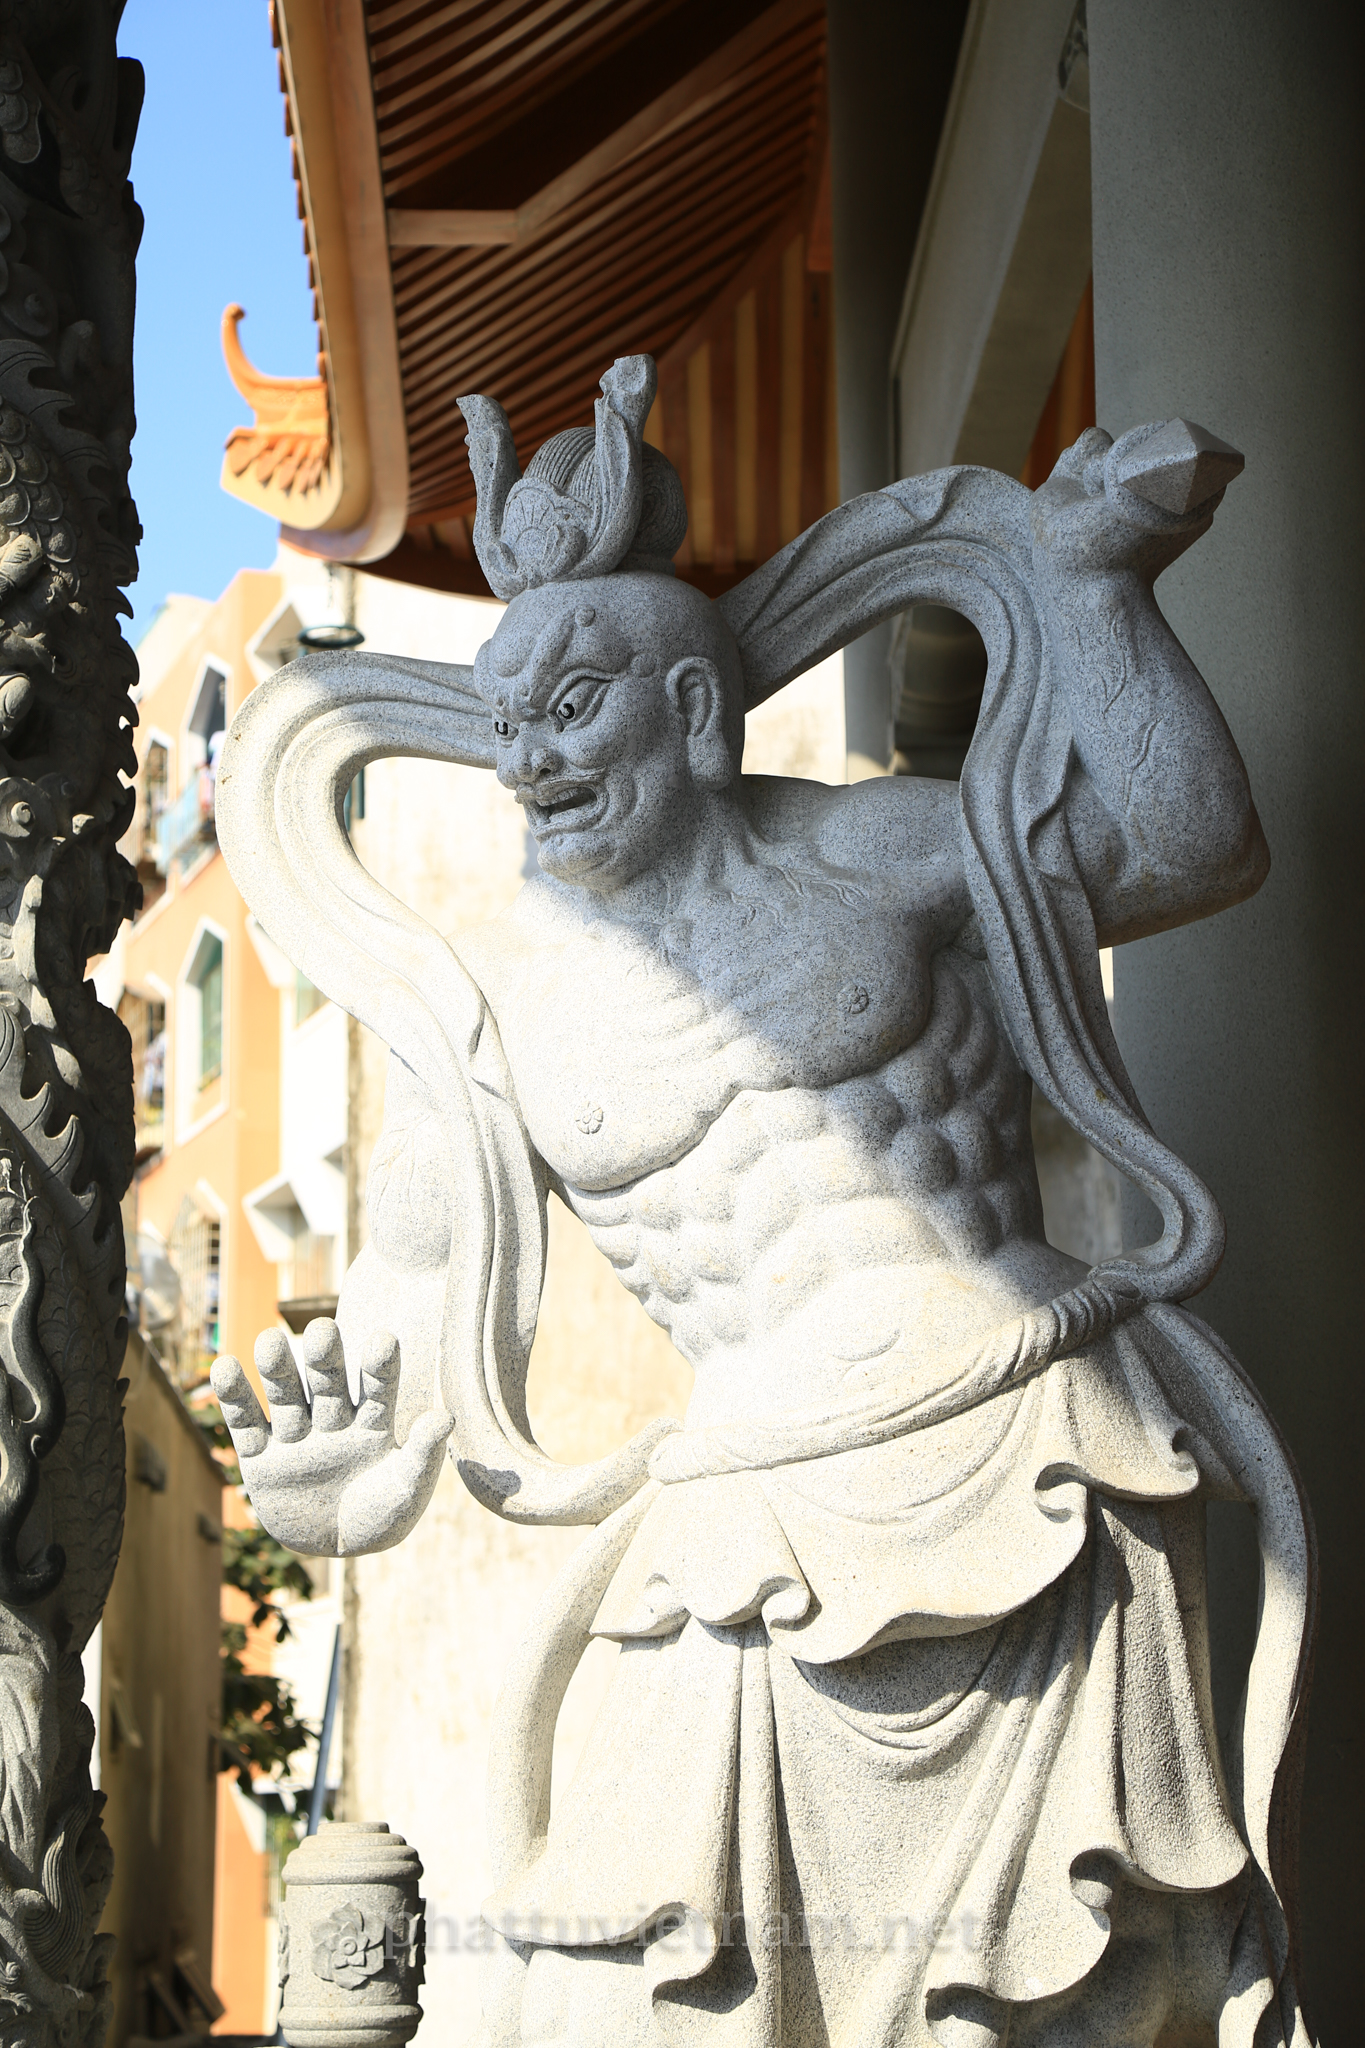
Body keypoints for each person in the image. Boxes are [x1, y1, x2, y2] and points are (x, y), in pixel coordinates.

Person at [213, 359, 1313, 2048]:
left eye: (571, 708)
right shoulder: (488, 1016)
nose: (529, 761)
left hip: (1022, 1449)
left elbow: (1186, 845)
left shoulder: (882, 854)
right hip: (730, 1529)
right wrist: (323, 1475)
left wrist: (1096, 592)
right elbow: (402, 1334)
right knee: (627, 1992)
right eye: (506, 727)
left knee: (1060, 2001)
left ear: (689, 706)